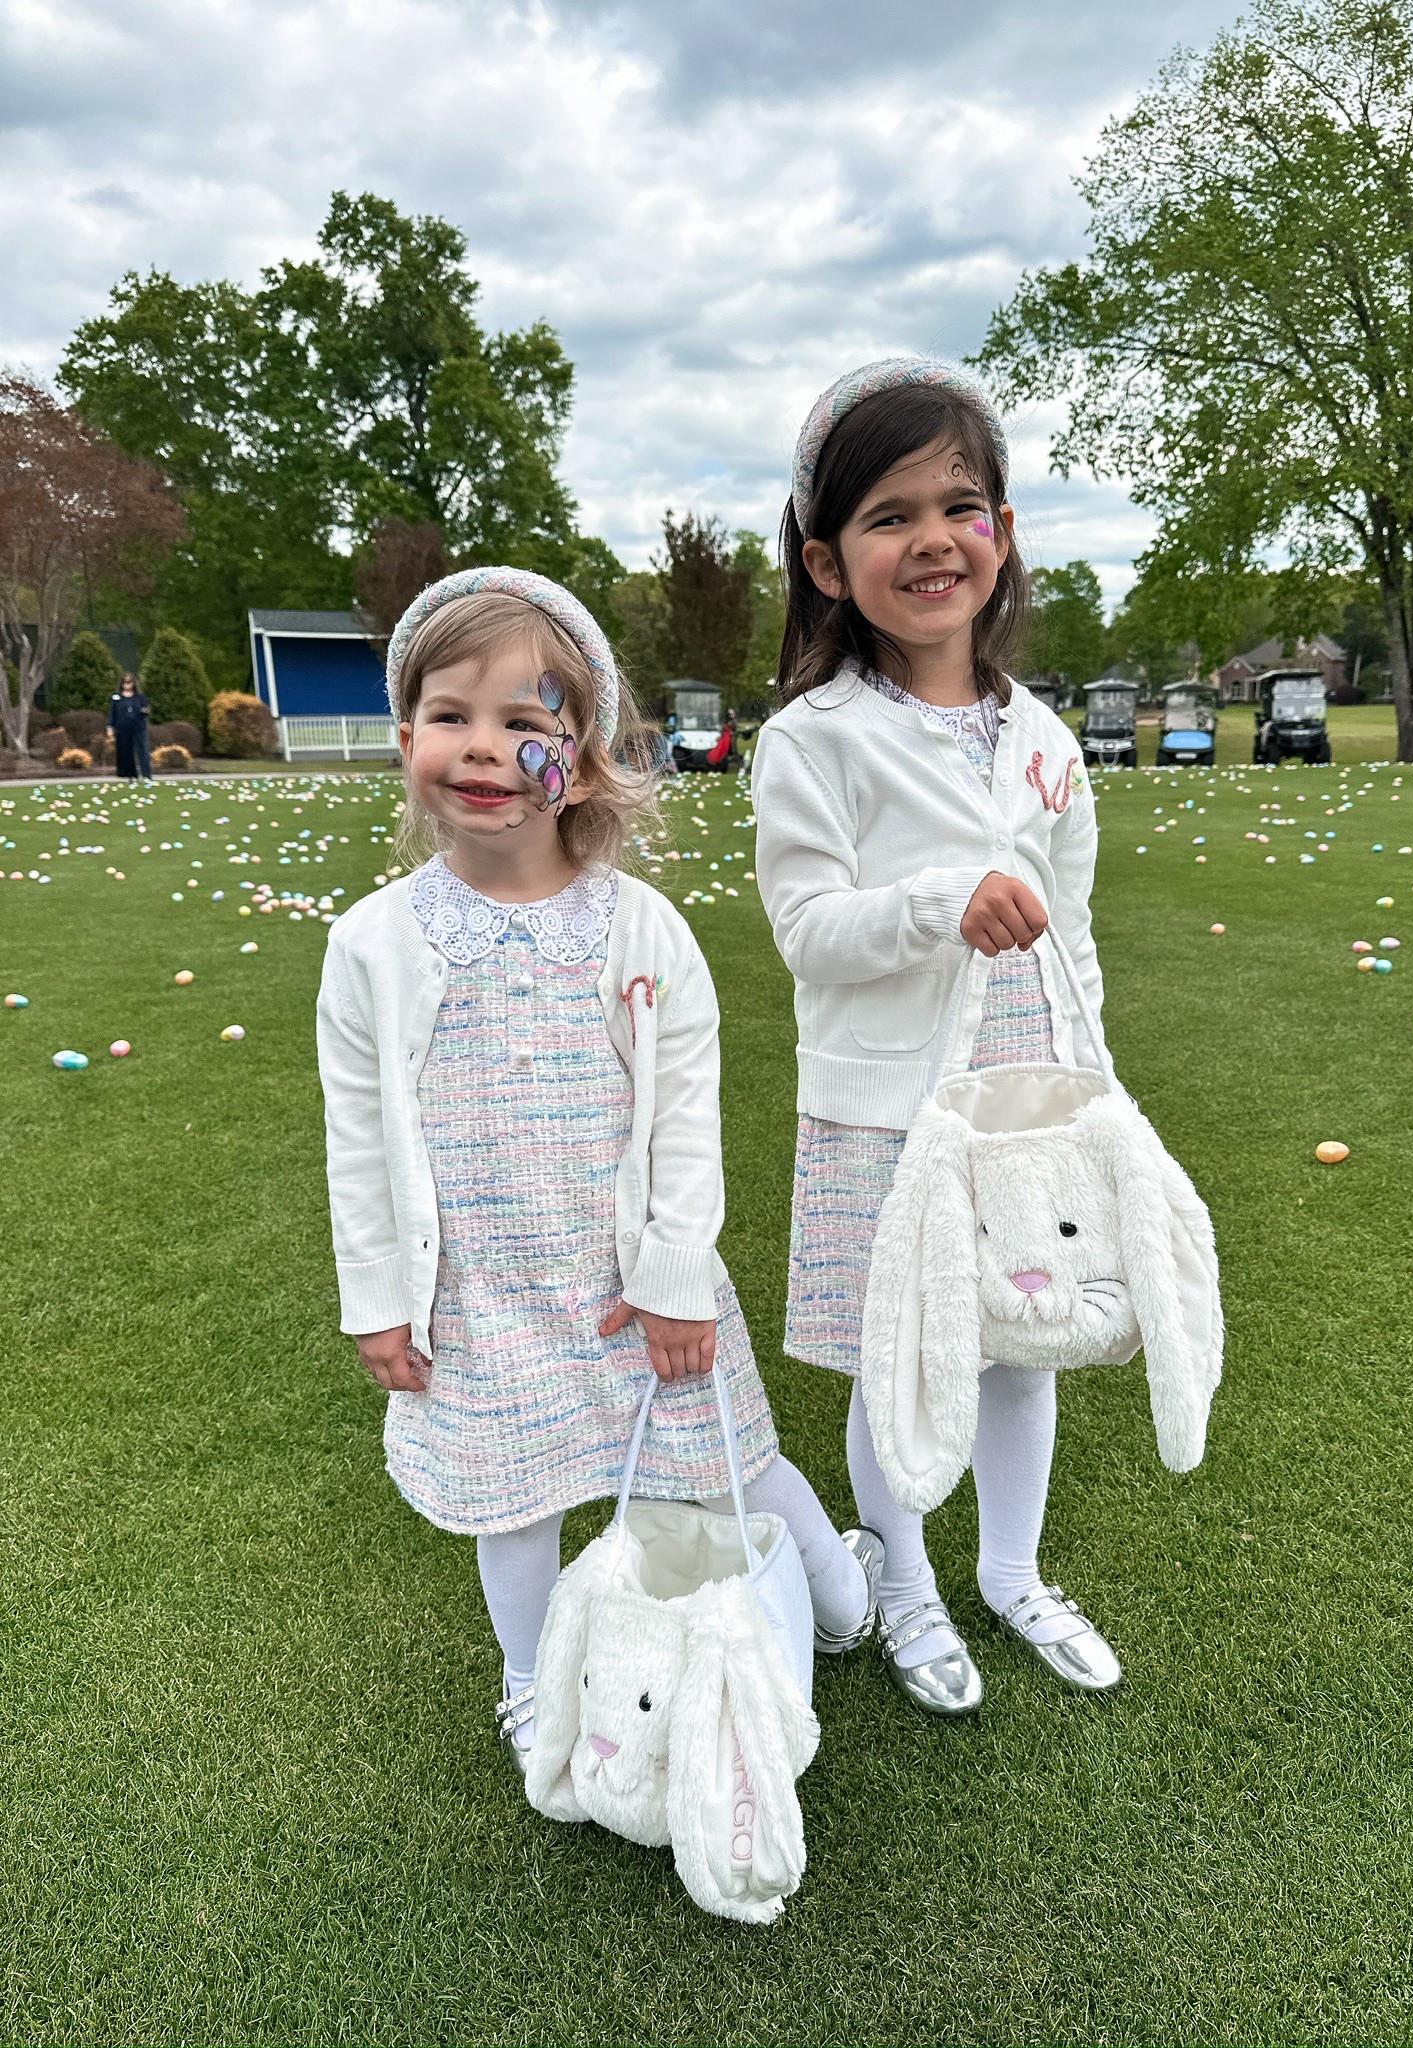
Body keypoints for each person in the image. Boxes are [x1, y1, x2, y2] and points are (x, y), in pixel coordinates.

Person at [316, 567, 877, 1769]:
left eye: (526, 721)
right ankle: (531, 1681)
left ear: (579, 751)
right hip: (479, 1294)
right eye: (452, 716)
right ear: (407, 733)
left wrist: (677, 1273)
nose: (483, 747)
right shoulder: (372, 945)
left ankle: (839, 1590)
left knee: (731, 1459)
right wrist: (378, 1300)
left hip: (630, 1286)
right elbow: (358, 1136)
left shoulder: (640, 930)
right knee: (512, 1500)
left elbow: (685, 1113)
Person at [751, 358, 1121, 1720]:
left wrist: (1097, 1095)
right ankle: (901, 1579)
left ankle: (1011, 1572)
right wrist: (936, 907)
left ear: (1003, 533)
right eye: (889, 515)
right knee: (899, 1355)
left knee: (1026, 1341)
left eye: (960, 505)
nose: (931, 540)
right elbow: (810, 931)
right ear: (829, 563)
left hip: (1026, 1101)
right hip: (886, 1109)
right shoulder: (816, 742)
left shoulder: (1046, 741)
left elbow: (1071, 932)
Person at [108, 672, 152, 779]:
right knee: (126, 752)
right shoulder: (116, 697)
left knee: (143, 751)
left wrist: (144, 711)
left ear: (133, 683)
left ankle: (146, 775)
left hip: (138, 728)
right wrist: (110, 727)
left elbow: (146, 709)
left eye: (129, 682)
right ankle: (131, 775)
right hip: (123, 729)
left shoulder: (139, 697)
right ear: (122, 684)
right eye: (125, 683)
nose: (127, 685)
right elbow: (112, 713)